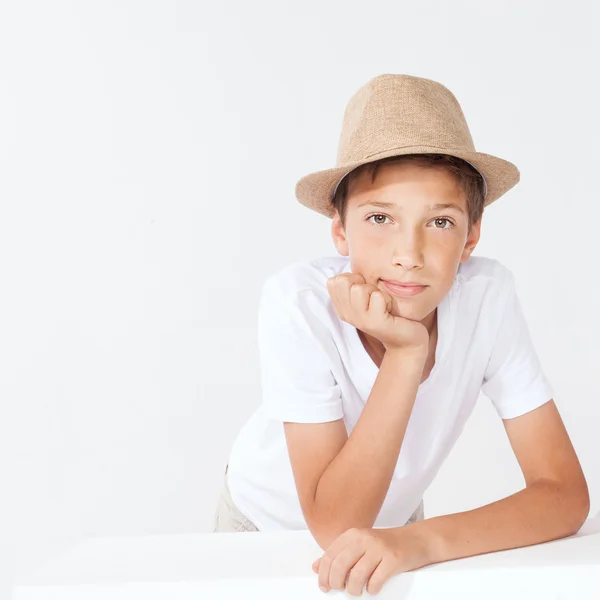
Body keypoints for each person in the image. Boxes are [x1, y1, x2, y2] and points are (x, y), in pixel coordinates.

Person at [212, 73, 589, 595]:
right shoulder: (297, 303)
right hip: (268, 525)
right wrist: (407, 352)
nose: (408, 254)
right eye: (380, 217)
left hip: (391, 522)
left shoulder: (488, 297)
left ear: (470, 236)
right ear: (339, 230)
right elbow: (335, 525)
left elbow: (564, 495)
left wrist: (419, 542)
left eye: (439, 223)